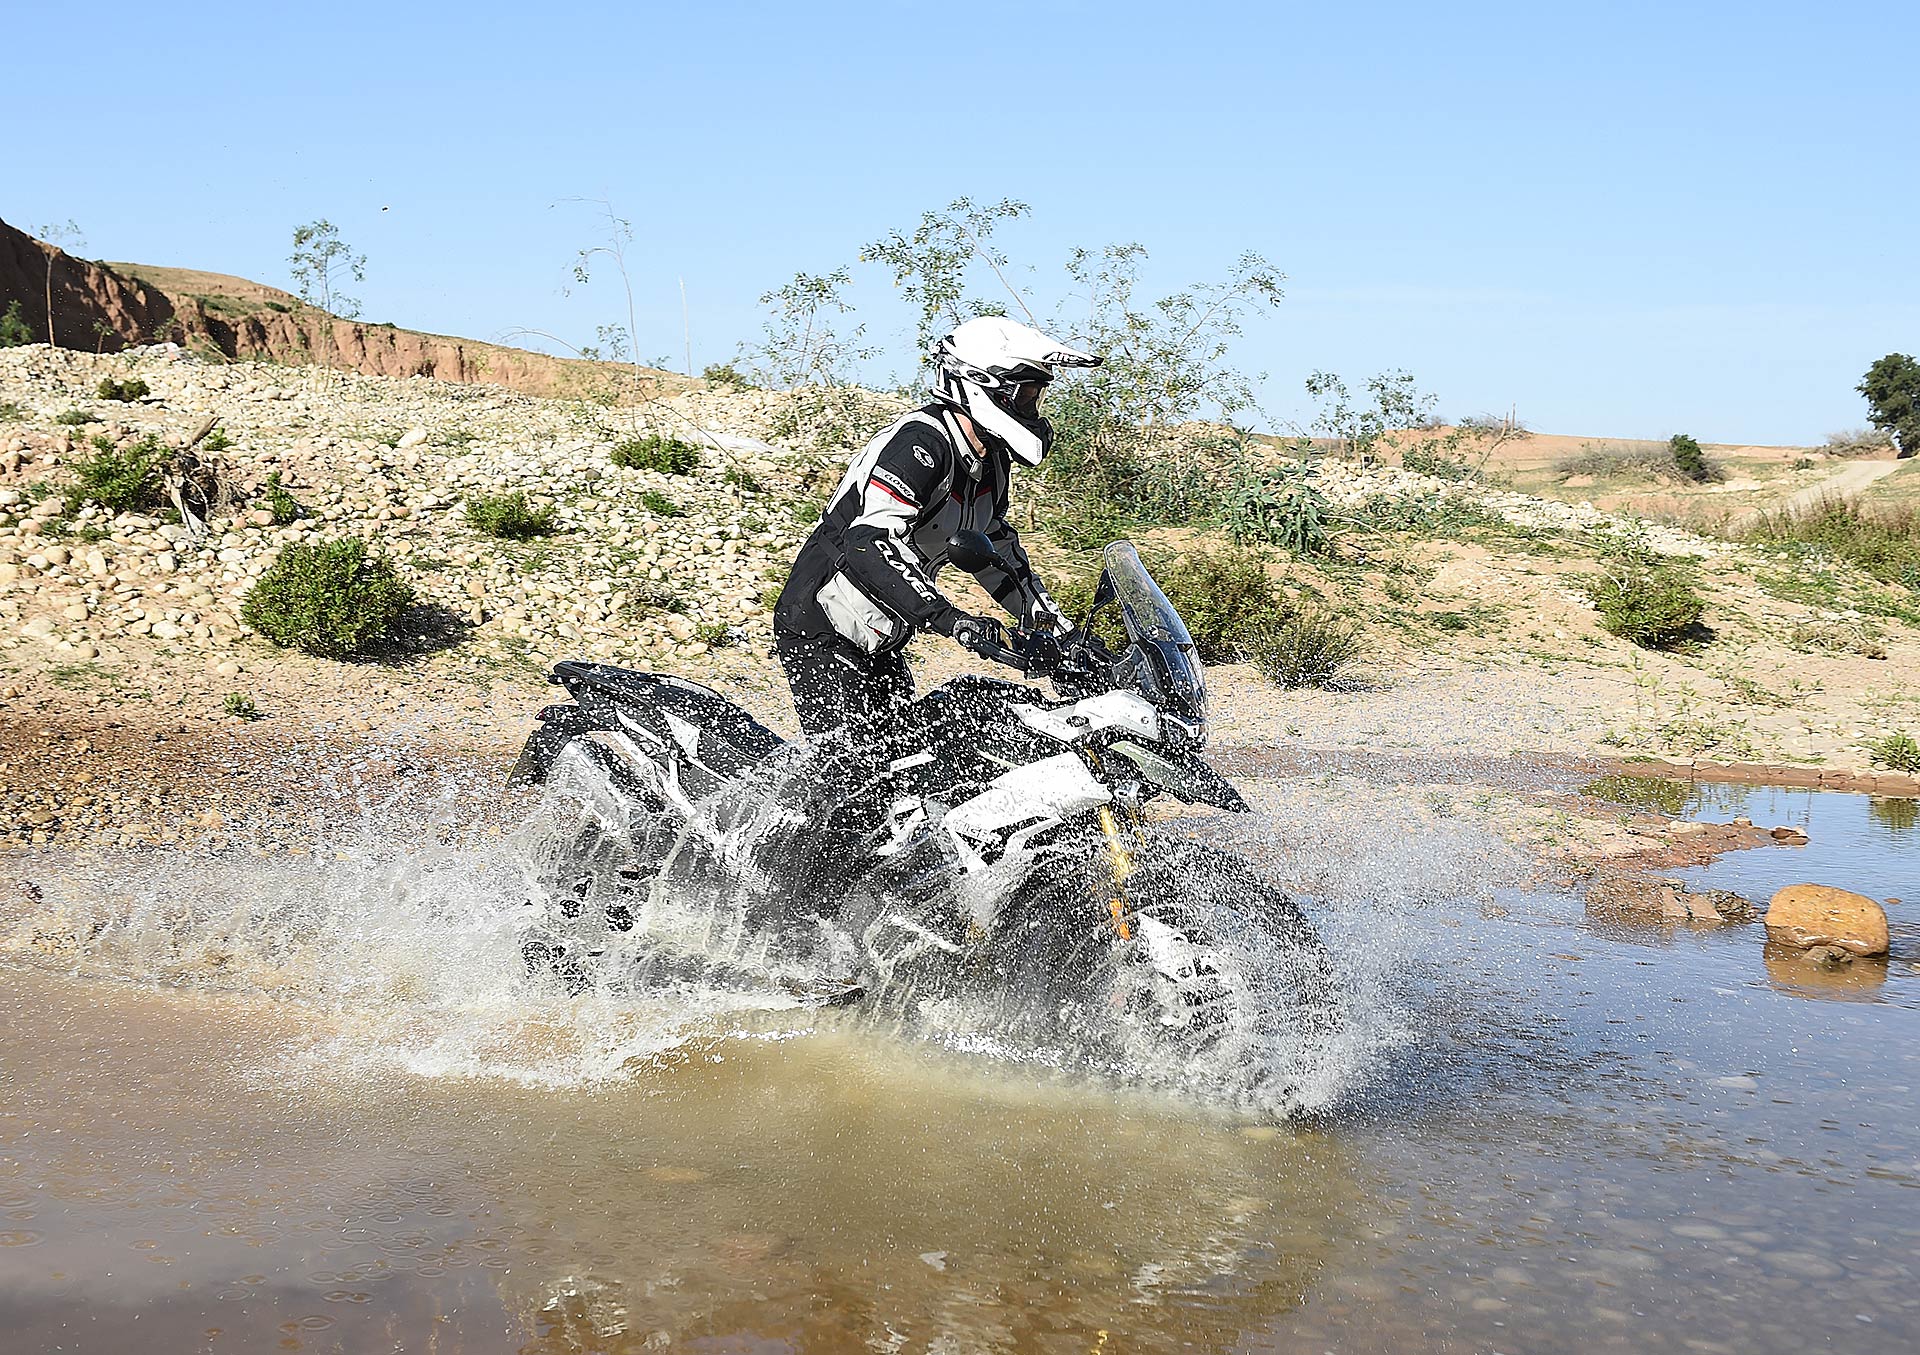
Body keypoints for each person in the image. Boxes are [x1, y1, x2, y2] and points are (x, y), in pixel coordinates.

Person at [771, 317, 1101, 735]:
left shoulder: (990, 460)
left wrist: (1062, 634)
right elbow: (867, 542)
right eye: (1026, 396)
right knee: (855, 767)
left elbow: (995, 553)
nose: (1032, 411)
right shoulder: (921, 443)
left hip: (882, 630)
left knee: (914, 753)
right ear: (982, 384)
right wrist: (950, 619)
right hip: (822, 621)